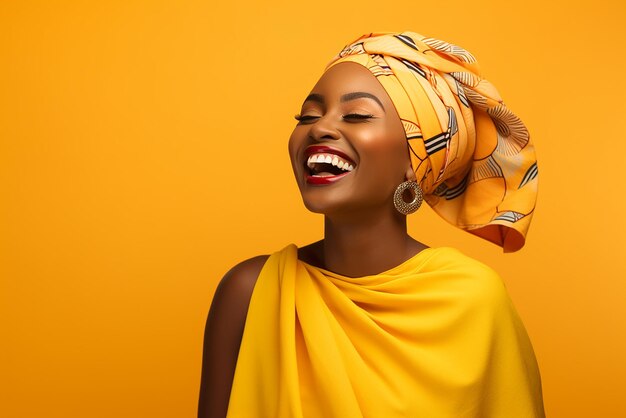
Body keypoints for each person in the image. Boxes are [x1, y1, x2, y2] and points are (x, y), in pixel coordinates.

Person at [198, 31, 544, 418]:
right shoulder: (249, 292)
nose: (319, 128)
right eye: (307, 116)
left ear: (416, 159)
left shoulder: (475, 300)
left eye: (357, 115)